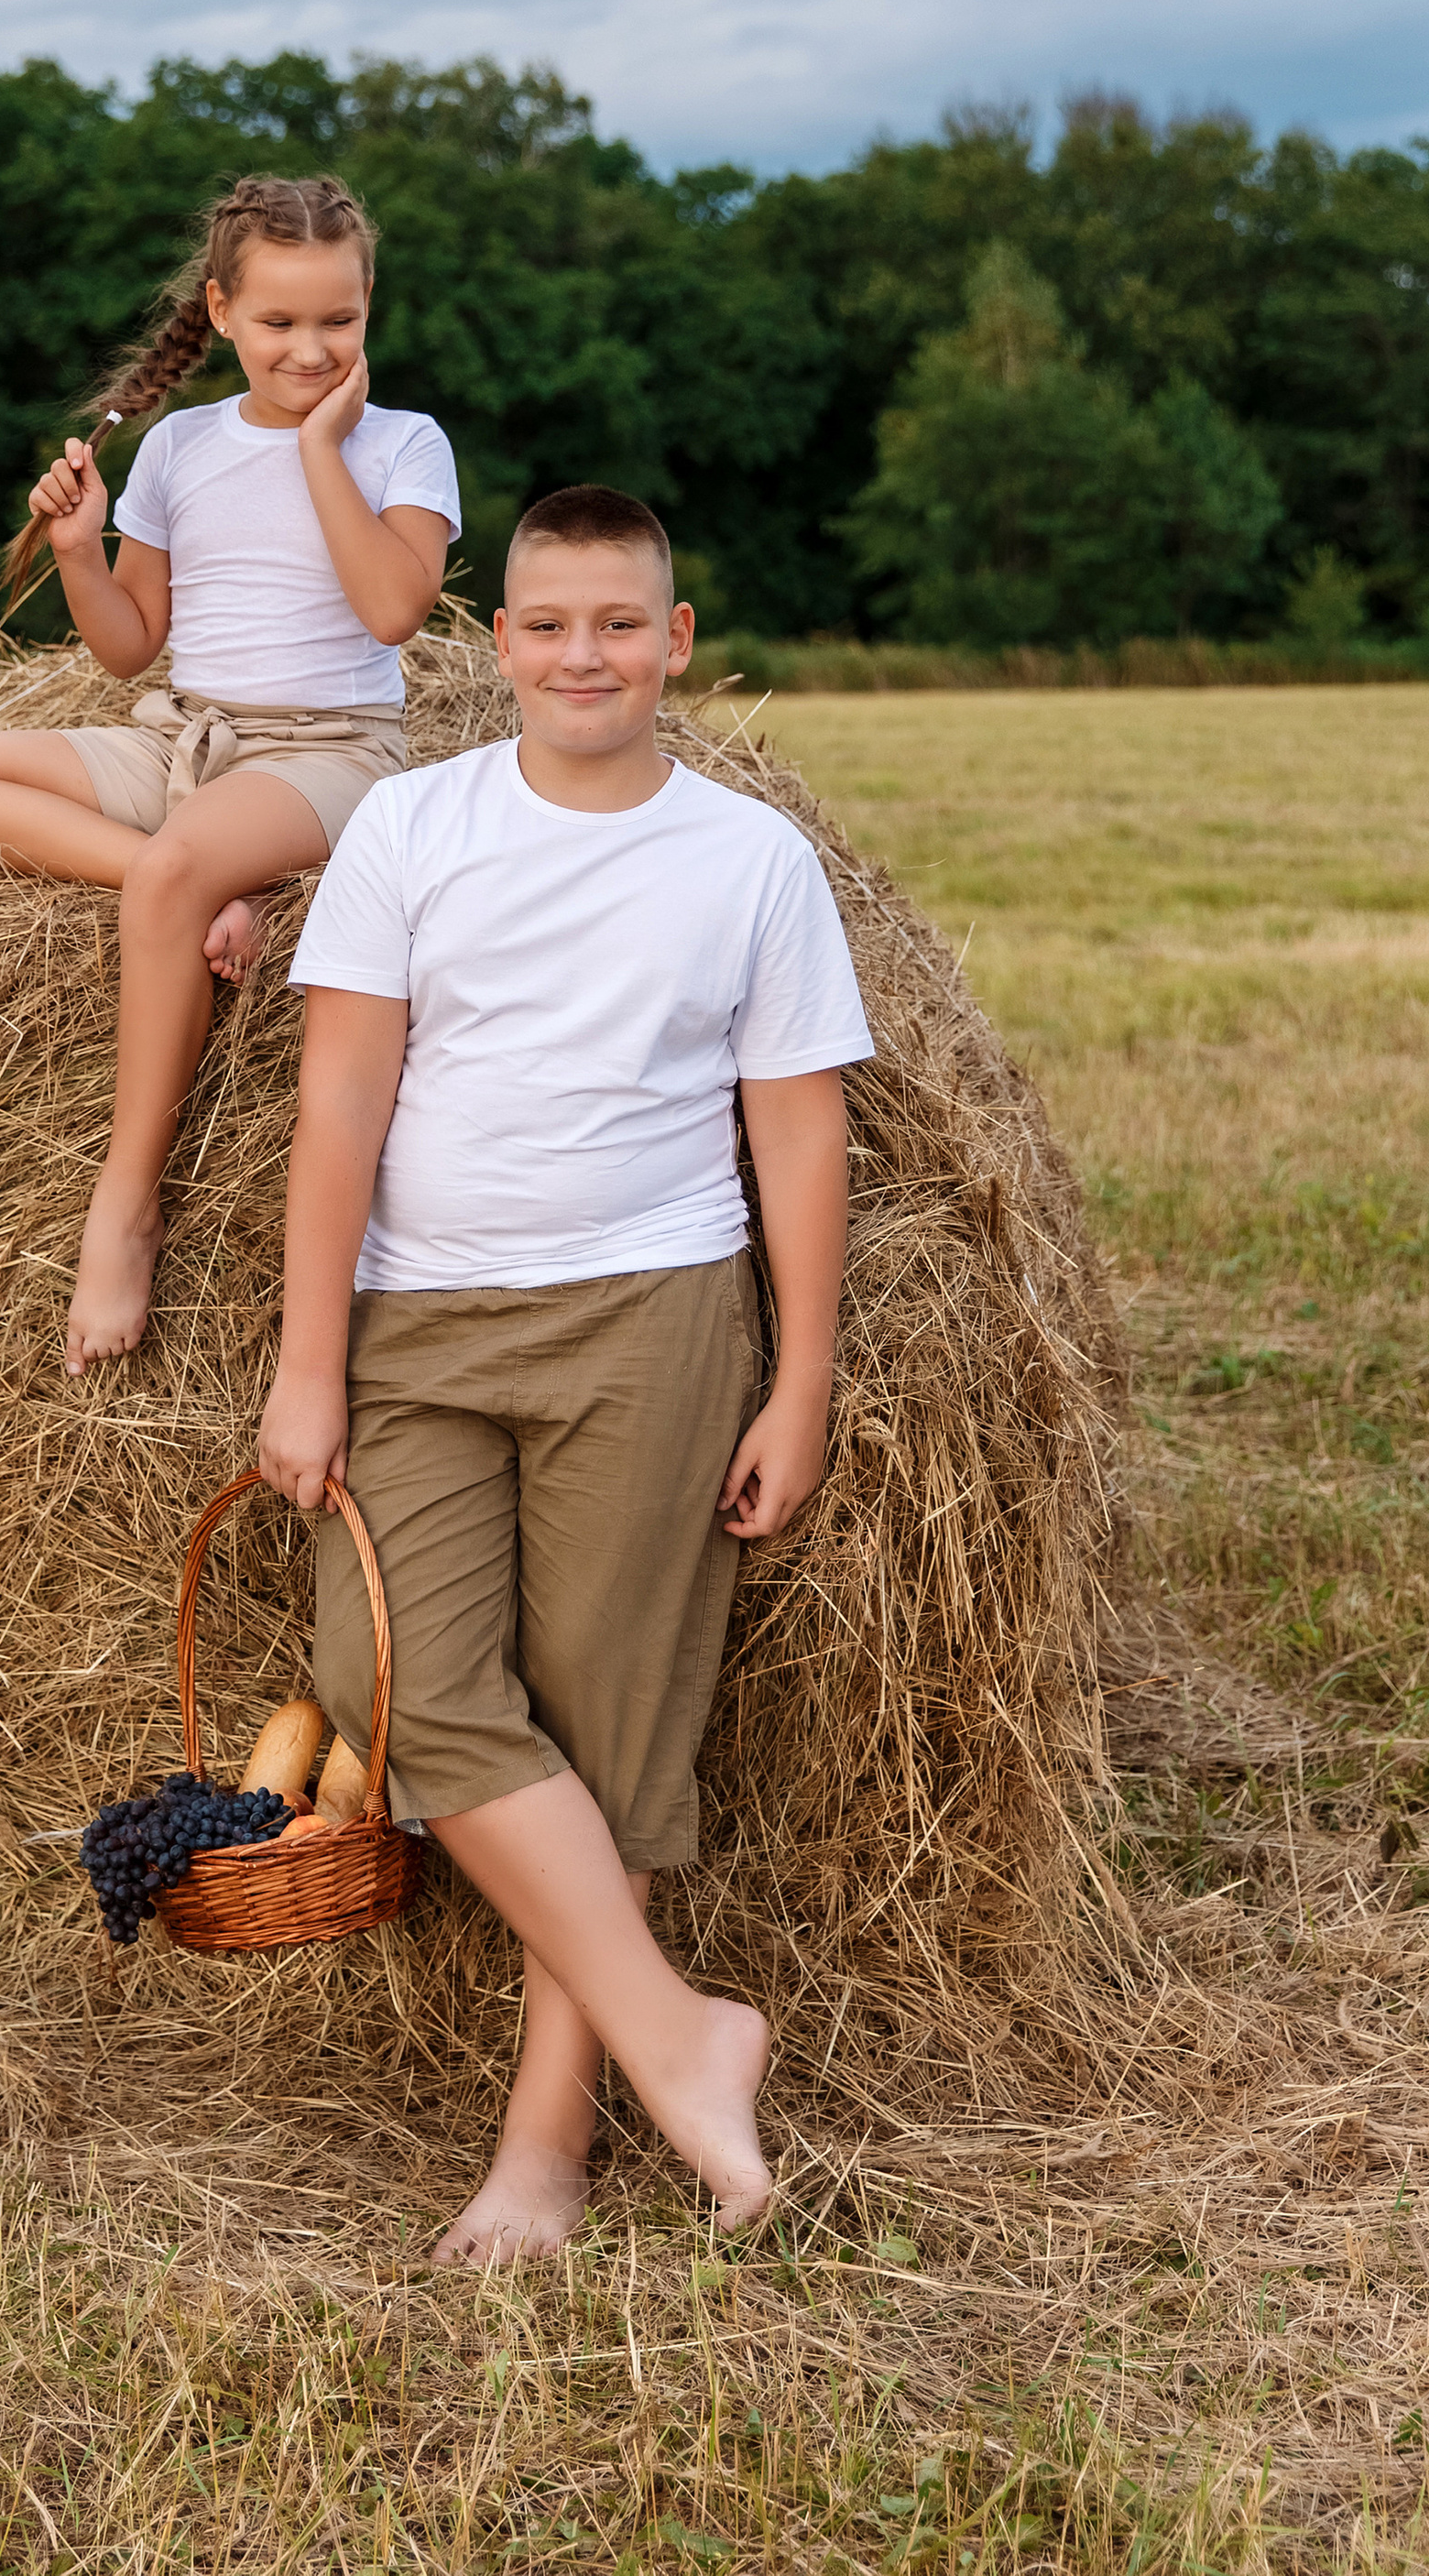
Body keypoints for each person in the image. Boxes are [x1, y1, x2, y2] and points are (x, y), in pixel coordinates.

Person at [256, 484, 873, 2259]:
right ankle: (684, 2034)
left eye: (617, 625)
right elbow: (339, 1101)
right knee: (392, 1677)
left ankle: (546, 2148)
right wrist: (310, 1363)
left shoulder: (751, 860)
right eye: (546, 624)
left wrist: (801, 1384)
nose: (580, 656)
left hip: (651, 1319)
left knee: (610, 1729)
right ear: (498, 639)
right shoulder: (411, 826)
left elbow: (798, 1135)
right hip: (419, 1328)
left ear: (673, 643)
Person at [0, 173, 458, 1374]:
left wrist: (320, 450)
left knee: (174, 875)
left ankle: (127, 1203)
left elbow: (394, 609)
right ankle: (180, 878)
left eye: (339, 320)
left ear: (370, 305)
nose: (311, 349)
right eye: (279, 322)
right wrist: (77, 550)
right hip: (183, 739)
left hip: (331, 752)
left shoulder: (404, 444)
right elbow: (128, 646)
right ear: (221, 310)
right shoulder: (177, 447)